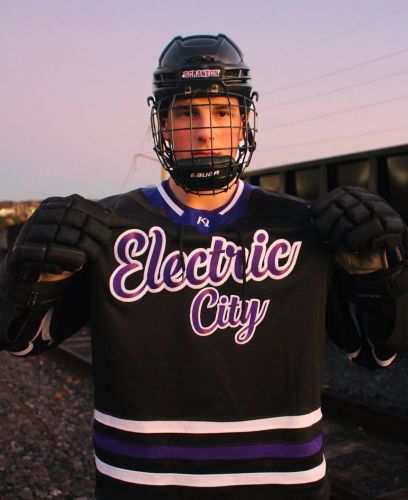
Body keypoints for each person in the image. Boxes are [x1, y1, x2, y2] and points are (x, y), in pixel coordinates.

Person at [0, 34, 407, 500]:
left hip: (283, 487)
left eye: (221, 112)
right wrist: (28, 274)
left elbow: (379, 352)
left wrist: (379, 275)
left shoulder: (304, 224)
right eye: (186, 113)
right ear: (163, 124)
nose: (204, 130)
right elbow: (21, 341)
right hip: (142, 485)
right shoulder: (107, 225)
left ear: (244, 121)